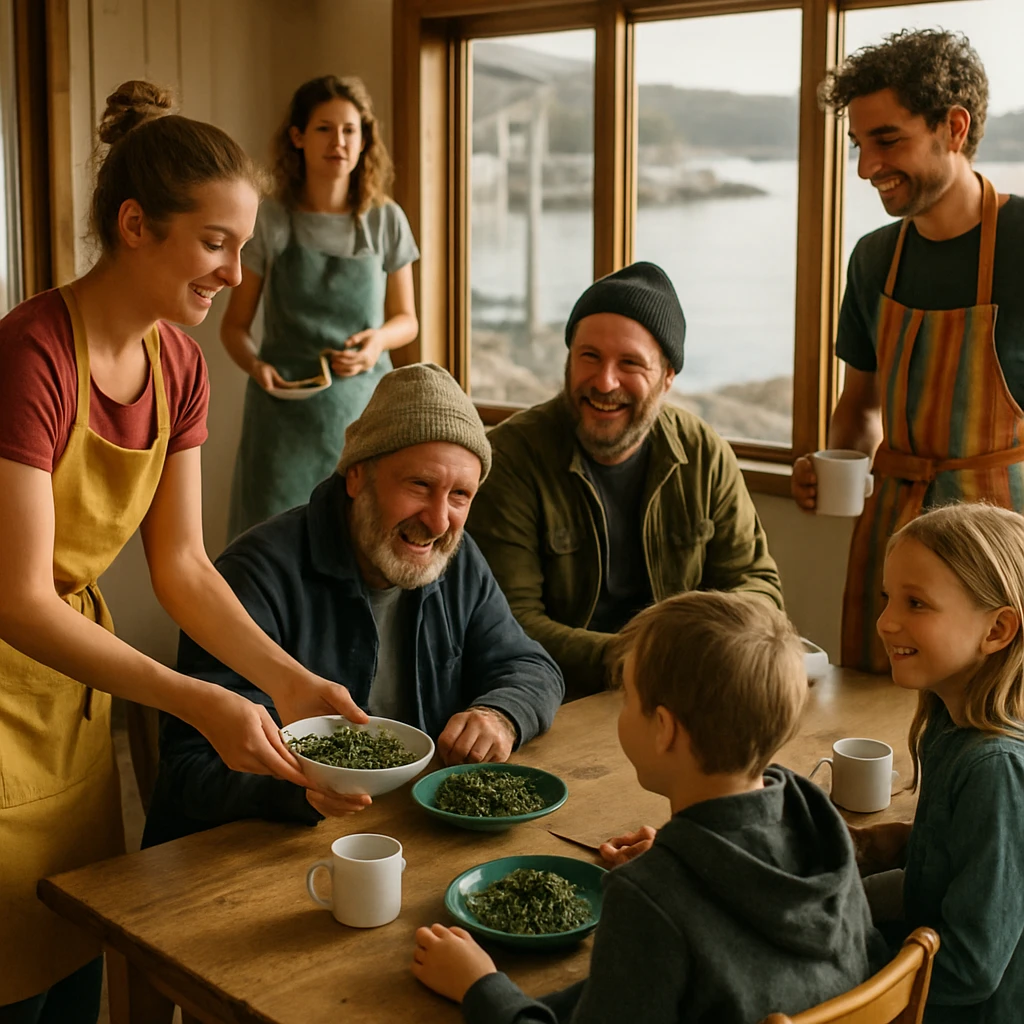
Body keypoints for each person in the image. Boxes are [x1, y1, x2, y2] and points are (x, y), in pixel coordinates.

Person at [0, 83, 370, 1022]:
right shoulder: (29, 355)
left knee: (75, 957)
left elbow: (185, 569)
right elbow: (18, 599)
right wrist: (198, 701)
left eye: (243, 248)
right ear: (135, 224)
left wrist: (289, 685)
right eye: (215, 244)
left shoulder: (180, 367)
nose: (235, 273)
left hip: (69, 706)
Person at [411, 590, 886, 1023]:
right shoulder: (818, 819)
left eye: (628, 698)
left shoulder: (646, 903)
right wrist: (680, 866)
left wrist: (480, 985)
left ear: (664, 729)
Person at [143, 363, 564, 846]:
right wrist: (300, 788)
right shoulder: (254, 572)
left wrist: (501, 714)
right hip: (256, 858)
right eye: (420, 486)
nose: (438, 519)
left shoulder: (457, 559)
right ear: (357, 476)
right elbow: (190, 768)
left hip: (407, 838)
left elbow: (532, 666)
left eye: (460, 496)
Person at [791, 29, 1024, 672]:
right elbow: (861, 407)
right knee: (875, 719)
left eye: (887, 140)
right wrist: (833, 464)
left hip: (999, 556)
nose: (866, 168)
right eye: (859, 145)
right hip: (895, 539)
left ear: (954, 126)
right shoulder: (874, 260)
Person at [466, 261, 782, 700]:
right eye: (589, 356)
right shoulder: (510, 458)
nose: (604, 381)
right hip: (553, 697)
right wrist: (639, 655)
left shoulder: (705, 453)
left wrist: (694, 646)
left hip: (683, 692)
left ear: (668, 377)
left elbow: (758, 585)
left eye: (630, 363)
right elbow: (510, 619)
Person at [849, 503, 1024, 1023]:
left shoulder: (995, 768)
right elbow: (952, 870)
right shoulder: (949, 722)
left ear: (997, 630)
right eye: (887, 598)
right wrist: (895, 843)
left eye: (916, 603)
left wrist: (846, 974)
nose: (885, 621)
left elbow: (970, 965)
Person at [223, 75, 419, 538]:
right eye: (324, 129)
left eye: (350, 130)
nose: (339, 142)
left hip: (364, 416)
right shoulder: (270, 219)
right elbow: (233, 327)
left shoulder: (385, 219)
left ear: (364, 139)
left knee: (359, 541)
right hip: (282, 420)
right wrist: (256, 367)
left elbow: (406, 320)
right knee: (271, 547)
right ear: (298, 137)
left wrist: (377, 344)